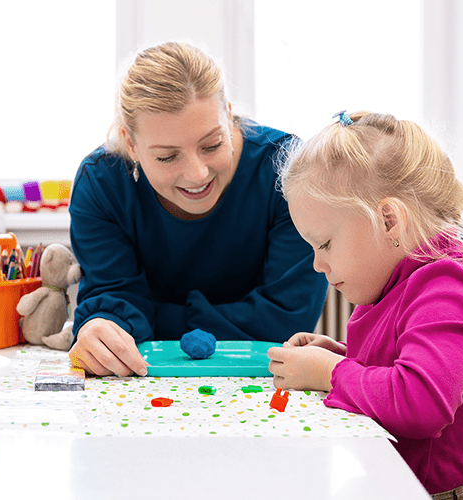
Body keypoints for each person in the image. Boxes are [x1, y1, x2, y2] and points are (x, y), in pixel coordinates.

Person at [68, 41, 328, 378]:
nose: (197, 174)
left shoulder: (289, 169)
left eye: (212, 144)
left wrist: (151, 319)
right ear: (130, 144)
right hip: (145, 383)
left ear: (229, 114)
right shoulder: (101, 184)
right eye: (167, 156)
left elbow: (287, 318)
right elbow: (113, 302)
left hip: (266, 379)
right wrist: (101, 329)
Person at [268, 110, 463, 499]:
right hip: (394, 482)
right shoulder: (397, 278)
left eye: (325, 244)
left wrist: (332, 373)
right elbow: (405, 358)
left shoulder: (446, 285)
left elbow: (421, 402)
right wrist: (343, 355)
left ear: (387, 220)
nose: (318, 264)